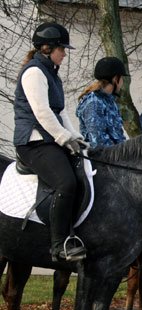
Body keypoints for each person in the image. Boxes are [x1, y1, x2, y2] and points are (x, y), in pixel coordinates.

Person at [13, 22, 87, 262]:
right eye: (61, 49)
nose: (64, 53)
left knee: (82, 173)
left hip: (50, 140)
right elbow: (42, 113)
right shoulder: (34, 72)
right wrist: (64, 138)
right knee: (65, 183)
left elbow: (62, 112)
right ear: (47, 48)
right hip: (32, 142)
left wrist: (76, 137)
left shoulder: (53, 75)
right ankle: (58, 245)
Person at [76, 56, 128, 148]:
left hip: (118, 156)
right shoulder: (93, 103)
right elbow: (98, 142)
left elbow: (119, 136)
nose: (122, 82)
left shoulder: (110, 101)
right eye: (122, 78)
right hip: (101, 159)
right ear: (116, 79)